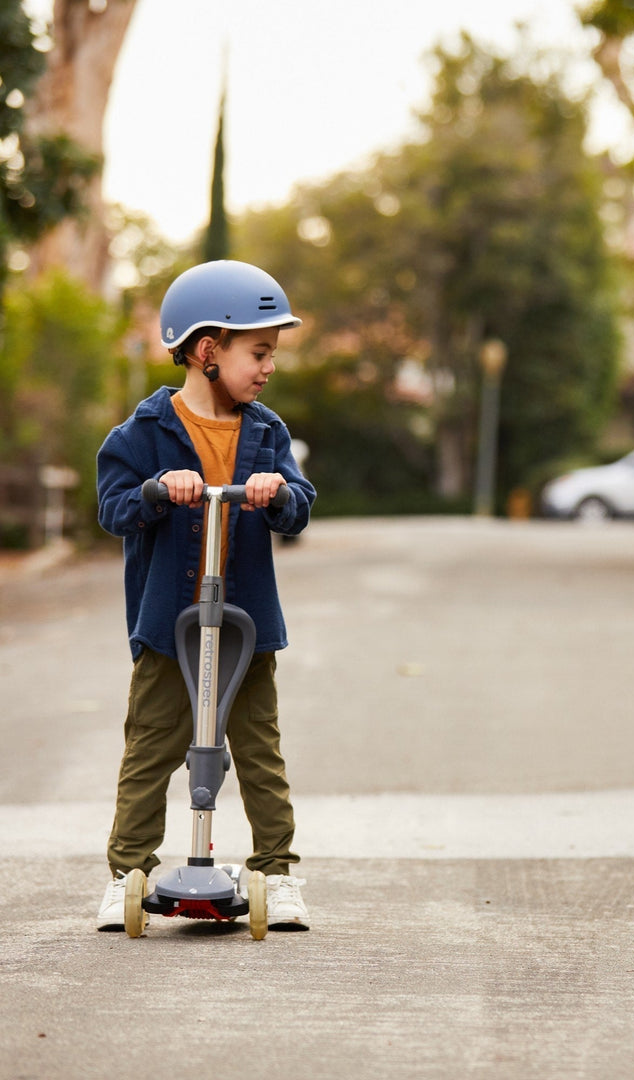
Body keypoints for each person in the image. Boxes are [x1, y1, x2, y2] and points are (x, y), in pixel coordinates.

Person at [95, 260, 317, 930]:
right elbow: (113, 508)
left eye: (272, 353)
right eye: (259, 351)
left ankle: (275, 874)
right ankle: (127, 872)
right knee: (152, 748)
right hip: (170, 625)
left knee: (258, 751)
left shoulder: (268, 433)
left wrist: (277, 494)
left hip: (247, 624)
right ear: (207, 351)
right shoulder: (142, 435)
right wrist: (158, 490)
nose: (268, 366)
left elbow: (300, 506)